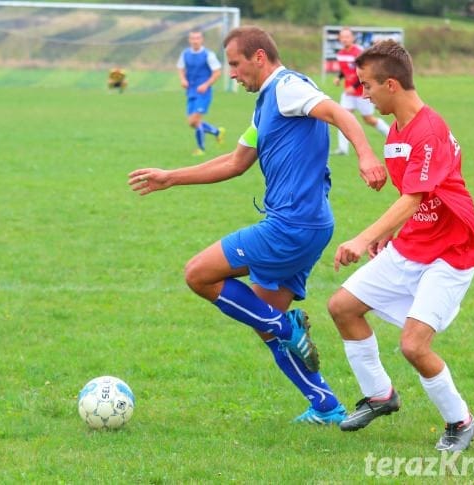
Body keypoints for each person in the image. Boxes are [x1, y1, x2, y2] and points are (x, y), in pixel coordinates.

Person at [129, 26, 386, 425]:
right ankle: (325, 405)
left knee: (199, 274)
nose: (232, 73)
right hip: (309, 224)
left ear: (260, 57)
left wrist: (366, 154)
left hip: (291, 226)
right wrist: (171, 177)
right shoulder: (266, 102)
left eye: (235, 63)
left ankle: (287, 327)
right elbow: (235, 162)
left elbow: (337, 111)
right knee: (264, 320)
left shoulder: (287, 87)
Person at [327, 40, 474, 452]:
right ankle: (380, 394)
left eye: (368, 86)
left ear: (392, 84)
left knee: (414, 345)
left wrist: (365, 238)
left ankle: (461, 421)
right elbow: (417, 195)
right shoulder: (399, 128)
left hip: (450, 253)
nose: (363, 93)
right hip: (414, 242)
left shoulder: (428, 130)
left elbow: (415, 197)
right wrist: (388, 233)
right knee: (343, 307)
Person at [333, 28, 390, 155]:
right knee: (342, 117)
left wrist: (354, 86)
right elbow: (345, 69)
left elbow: (365, 72)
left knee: (369, 119)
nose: (345, 39)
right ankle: (343, 149)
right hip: (348, 93)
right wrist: (338, 77)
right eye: (342, 37)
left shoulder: (359, 52)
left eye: (347, 36)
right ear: (339, 39)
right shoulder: (341, 53)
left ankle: (391, 135)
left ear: (352, 38)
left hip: (362, 93)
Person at [177, 29, 225, 156]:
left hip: (203, 93)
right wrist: (182, 79)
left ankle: (201, 149)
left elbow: (217, 72)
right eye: (193, 38)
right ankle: (216, 132)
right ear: (189, 40)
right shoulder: (185, 54)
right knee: (192, 123)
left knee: (194, 121)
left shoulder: (208, 55)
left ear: (202, 39)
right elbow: (180, 68)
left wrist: (206, 84)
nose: (195, 41)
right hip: (190, 91)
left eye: (197, 38)